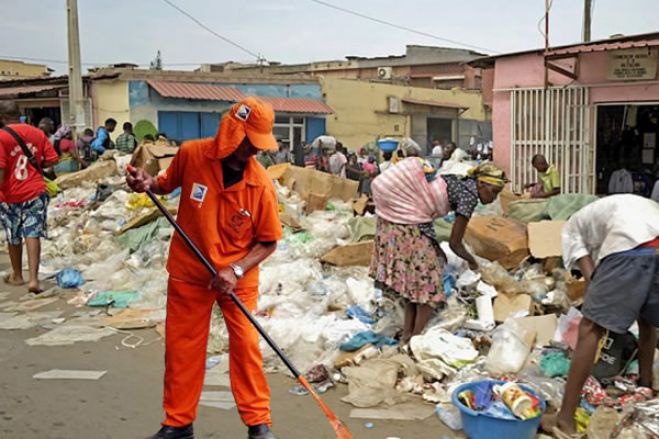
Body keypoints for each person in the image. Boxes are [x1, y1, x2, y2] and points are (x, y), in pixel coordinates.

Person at [126, 97, 282, 439]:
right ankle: (178, 424)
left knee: (246, 346)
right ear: (232, 130)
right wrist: (146, 184)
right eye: (248, 142)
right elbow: (164, 184)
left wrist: (236, 270)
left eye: (258, 145)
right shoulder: (192, 154)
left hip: (237, 277)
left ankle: (258, 424)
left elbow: (269, 242)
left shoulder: (260, 185)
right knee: (182, 348)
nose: (252, 152)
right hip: (190, 271)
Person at [541, 194, 659, 437]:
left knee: (589, 329)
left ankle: (564, 418)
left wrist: (595, 302)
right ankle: (646, 383)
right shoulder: (605, 211)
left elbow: (593, 278)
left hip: (632, 245)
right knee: (647, 322)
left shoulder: (572, 229)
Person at [370, 160, 507, 345]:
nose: (493, 198)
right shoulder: (469, 196)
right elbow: (455, 243)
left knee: (414, 286)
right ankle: (415, 341)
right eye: (493, 192)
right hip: (409, 224)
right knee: (430, 287)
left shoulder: (461, 182)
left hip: (405, 222)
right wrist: (472, 261)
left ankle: (407, 337)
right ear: (481, 183)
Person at [0, 120, 59, 294]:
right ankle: (33, 279)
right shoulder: (37, 133)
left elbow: (1, 170)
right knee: (32, 232)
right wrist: (33, 163)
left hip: (9, 195)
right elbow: (52, 160)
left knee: (13, 234)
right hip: (35, 191)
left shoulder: (1, 136)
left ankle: (17, 275)